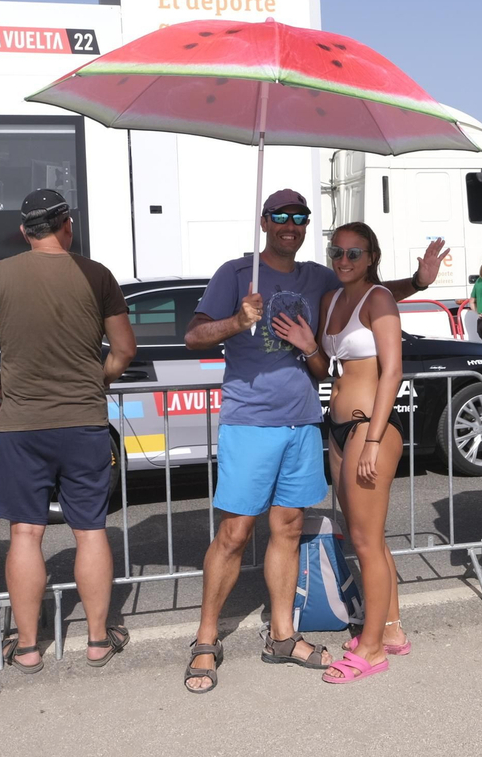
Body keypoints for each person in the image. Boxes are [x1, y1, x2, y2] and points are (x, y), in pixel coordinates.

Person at [181, 189, 446, 693]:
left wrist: (416, 282)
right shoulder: (236, 274)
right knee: (234, 534)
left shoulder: (318, 277)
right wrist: (237, 322)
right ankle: (206, 639)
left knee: (287, 528)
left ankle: (283, 635)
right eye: (280, 215)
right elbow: (193, 335)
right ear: (264, 221)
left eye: (299, 217)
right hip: (250, 421)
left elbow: (367, 290)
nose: (290, 224)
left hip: (304, 422)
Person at [0, 189, 136, 673]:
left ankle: (26, 647)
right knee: (91, 531)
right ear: (68, 225)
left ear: (24, 231)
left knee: (25, 533)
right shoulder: (96, 274)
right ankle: (99, 640)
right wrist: (96, 379)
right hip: (84, 420)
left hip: (23, 424)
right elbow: (124, 348)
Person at [272, 222, 406, 683]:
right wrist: (309, 346)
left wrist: (372, 440)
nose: (344, 260)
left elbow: (392, 372)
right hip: (339, 428)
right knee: (367, 536)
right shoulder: (331, 300)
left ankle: (370, 650)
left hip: (371, 429)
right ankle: (390, 630)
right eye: (338, 252)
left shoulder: (380, 299)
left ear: (372, 257)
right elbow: (330, 366)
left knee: (367, 542)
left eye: (355, 253)